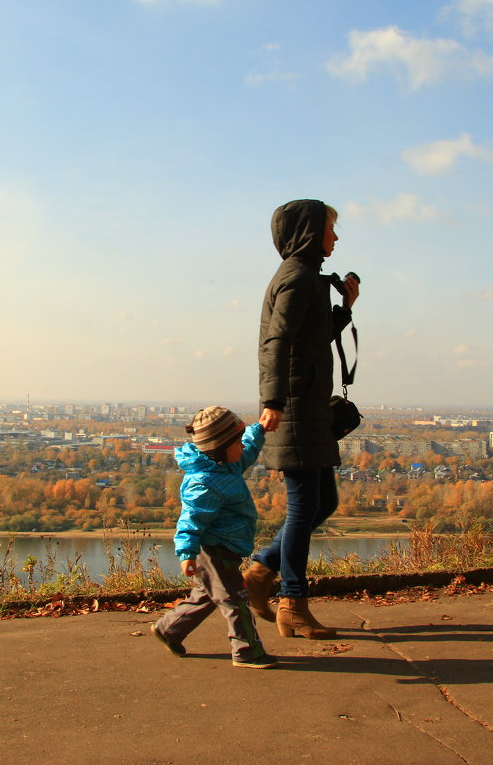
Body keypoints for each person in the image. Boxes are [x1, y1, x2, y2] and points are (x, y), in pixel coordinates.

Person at [245, 199, 359, 640]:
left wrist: (344, 308)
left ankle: (259, 573)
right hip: (294, 408)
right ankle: (291, 602)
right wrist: (272, 401)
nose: (336, 237)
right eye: (331, 228)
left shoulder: (307, 278)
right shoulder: (297, 277)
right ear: (311, 231)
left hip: (307, 408)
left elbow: (310, 338)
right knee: (302, 508)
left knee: (321, 503)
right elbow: (277, 341)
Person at [151, 406, 277, 668]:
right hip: (213, 550)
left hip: (227, 547)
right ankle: (246, 651)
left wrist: (259, 429)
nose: (242, 446)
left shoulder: (227, 464)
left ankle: (169, 628)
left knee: (207, 594)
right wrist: (186, 554)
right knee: (234, 600)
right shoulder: (204, 482)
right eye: (236, 442)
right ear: (220, 447)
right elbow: (191, 520)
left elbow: (248, 449)